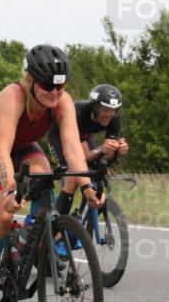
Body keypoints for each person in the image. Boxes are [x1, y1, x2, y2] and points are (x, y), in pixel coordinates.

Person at [0, 45, 104, 302]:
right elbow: (1, 150)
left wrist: (87, 188)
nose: (54, 93)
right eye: (47, 86)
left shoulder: (62, 103)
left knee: (45, 181)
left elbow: (74, 150)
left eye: (60, 87)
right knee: (2, 216)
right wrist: (9, 189)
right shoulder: (12, 97)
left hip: (24, 148)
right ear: (29, 80)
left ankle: (26, 238)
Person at [47, 84, 129, 216]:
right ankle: (59, 225)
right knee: (72, 174)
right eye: (105, 109)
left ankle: (82, 219)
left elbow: (104, 158)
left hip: (84, 134)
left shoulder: (114, 119)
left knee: (94, 167)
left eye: (113, 110)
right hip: (59, 134)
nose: (109, 114)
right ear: (95, 107)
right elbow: (79, 158)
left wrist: (117, 152)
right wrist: (101, 149)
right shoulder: (78, 113)